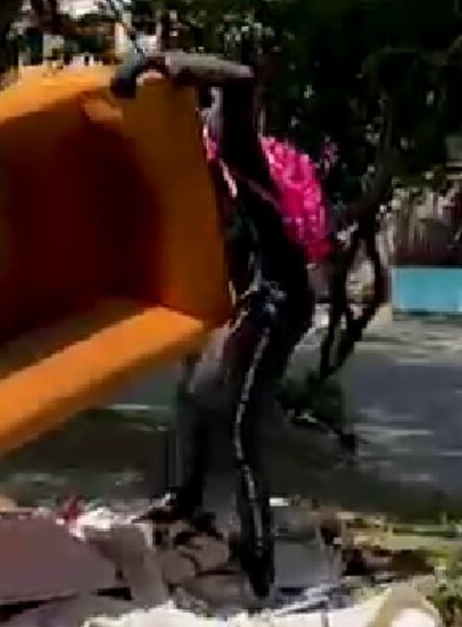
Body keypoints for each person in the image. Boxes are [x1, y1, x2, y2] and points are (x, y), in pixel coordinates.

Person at [113, 53, 316, 599]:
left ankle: (259, 558)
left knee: (241, 427)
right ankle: (186, 498)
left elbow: (242, 76)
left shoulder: (238, 142)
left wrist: (154, 62)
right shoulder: (219, 161)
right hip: (262, 297)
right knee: (196, 391)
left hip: (283, 303)